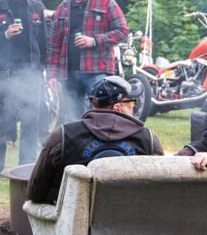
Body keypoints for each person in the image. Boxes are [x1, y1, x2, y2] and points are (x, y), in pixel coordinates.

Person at [28, 76, 162, 204]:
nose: (134, 106)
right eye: (132, 102)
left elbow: (35, 193)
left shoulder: (62, 136)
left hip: (74, 226)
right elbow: (161, 192)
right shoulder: (148, 140)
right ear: (117, 108)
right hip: (133, 224)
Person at [0, 0, 48, 176]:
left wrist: (43, 70)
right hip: (5, 72)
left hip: (31, 72)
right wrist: (5, 35)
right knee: (1, 118)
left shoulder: (36, 6)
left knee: (31, 121)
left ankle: (26, 166)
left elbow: (44, 40)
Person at [47, 0, 129, 121]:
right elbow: (54, 44)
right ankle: (83, 146)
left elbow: (123, 31)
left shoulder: (106, 2)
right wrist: (52, 75)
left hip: (97, 72)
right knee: (75, 120)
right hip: (69, 73)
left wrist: (95, 41)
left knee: (103, 116)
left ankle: (104, 145)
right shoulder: (63, 8)